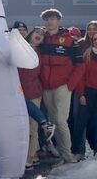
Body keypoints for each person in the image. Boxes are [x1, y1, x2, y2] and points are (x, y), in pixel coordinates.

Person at [38, 9, 85, 164]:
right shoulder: (42, 39)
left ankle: (67, 154)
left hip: (63, 86)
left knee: (60, 120)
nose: (49, 22)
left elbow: (80, 65)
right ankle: (61, 153)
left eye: (52, 19)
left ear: (59, 21)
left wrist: (70, 84)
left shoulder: (70, 41)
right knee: (53, 121)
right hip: (46, 86)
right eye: (47, 19)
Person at [20, 27, 55, 168]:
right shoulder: (19, 48)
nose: (39, 35)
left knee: (32, 129)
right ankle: (28, 155)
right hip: (18, 92)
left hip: (33, 92)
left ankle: (29, 158)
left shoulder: (39, 53)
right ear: (31, 34)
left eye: (42, 34)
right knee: (21, 128)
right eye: (37, 32)